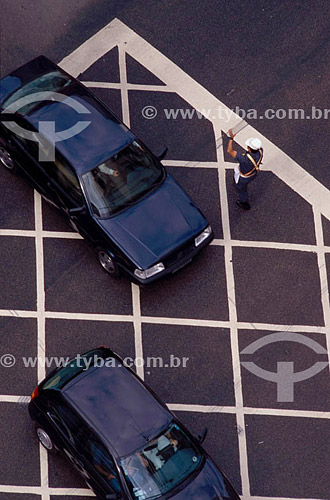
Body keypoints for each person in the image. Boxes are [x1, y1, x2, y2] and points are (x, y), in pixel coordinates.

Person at [227, 128, 263, 210]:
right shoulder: (260, 151)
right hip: (253, 173)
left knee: (242, 189)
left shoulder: (244, 158)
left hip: (244, 177)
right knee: (241, 186)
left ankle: (243, 202)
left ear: (249, 148)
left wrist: (231, 138)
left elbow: (229, 150)